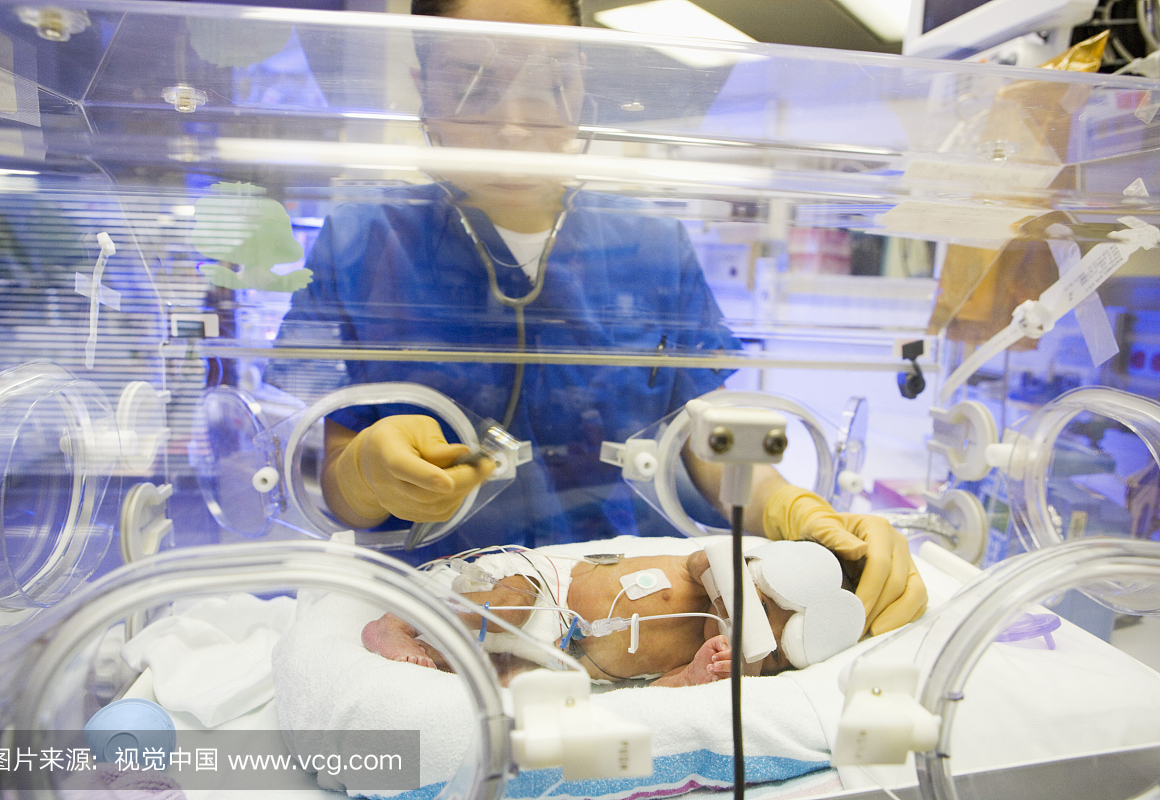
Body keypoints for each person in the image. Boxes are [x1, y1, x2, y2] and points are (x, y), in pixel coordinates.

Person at [269, 0, 927, 636]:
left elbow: (705, 436)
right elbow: (319, 479)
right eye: (470, 85)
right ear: (423, 92)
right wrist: (364, 474)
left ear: (583, 82)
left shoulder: (649, 243)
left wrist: (795, 510)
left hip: (639, 605)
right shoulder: (365, 243)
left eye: (549, 83)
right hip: (444, 613)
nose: (513, 126)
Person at [361, 539, 863, 687]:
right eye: (754, 610)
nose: (750, 639)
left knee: (507, 680)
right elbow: (707, 561)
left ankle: (430, 654)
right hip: (547, 590)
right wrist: (729, 599)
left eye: (770, 657)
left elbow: (660, 689)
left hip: (566, 661)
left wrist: (692, 675)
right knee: (507, 608)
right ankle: (401, 622)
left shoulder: (713, 657)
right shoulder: (707, 571)